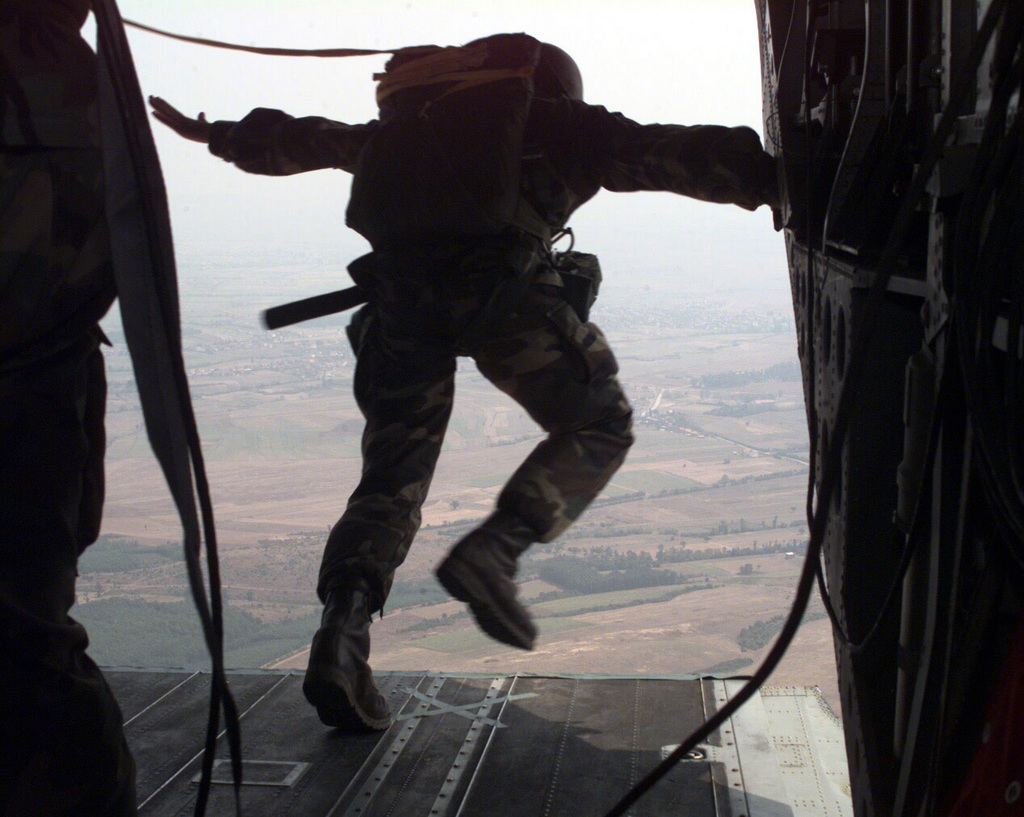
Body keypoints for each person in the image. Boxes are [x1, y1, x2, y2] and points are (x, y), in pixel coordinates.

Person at [150, 33, 778, 732]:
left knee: (389, 481)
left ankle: (342, 633)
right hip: (501, 297)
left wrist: (218, 135)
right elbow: (681, 155)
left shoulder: (407, 134)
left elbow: (308, 141)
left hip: (399, 307)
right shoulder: (563, 128)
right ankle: (494, 551)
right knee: (601, 423)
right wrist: (781, 177)